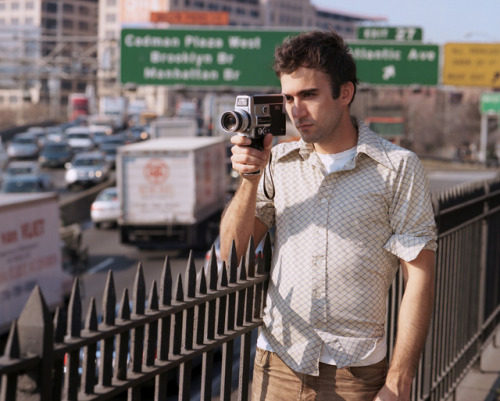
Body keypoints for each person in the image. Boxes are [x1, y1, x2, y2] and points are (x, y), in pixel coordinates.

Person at [220, 28, 437, 401]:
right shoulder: (278, 163)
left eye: (308, 95)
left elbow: (419, 276)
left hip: (355, 375)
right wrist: (249, 179)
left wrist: (399, 381)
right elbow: (233, 253)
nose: (295, 110)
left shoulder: (397, 167)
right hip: (277, 365)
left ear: (345, 93)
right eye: (288, 97)